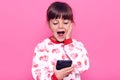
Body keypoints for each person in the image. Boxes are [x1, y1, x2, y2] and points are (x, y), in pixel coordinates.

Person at [32, 1, 89, 80]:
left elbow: (83, 67)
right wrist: (56, 77)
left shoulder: (77, 46)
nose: (60, 26)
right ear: (49, 24)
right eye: (55, 23)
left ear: (71, 24)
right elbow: (38, 73)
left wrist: (69, 42)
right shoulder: (42, 47)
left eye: (65, 23)